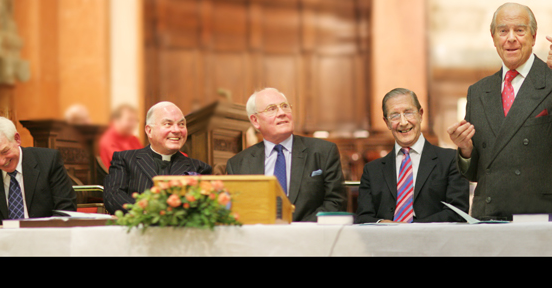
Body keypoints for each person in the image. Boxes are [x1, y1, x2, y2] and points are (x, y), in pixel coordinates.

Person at [447, 2, 552, 220]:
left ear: (534, 36)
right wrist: (466, 150)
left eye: (519, 30)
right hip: (489, 220)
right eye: (503, 31)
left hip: (543, 218)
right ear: (493, 37)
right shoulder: (478, 92)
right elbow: (474, 173)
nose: (510, 38)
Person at [225, 88, 347, 222]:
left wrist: (296, 230)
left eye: (285, 106)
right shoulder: (238, 164)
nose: (282, 113)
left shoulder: (323, 151)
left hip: (309, 232)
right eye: (272, 109)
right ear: (255, 120)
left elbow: (335, 202)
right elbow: (236, 210)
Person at [356, 88, 470, 223]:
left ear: (420, 115)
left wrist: (410, 228)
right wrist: (382, 223)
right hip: (386, 236)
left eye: (408, 113)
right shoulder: (372, 170)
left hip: (433, 235)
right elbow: (363, 217)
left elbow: (458, 212)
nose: (403, 122)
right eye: (394, 116)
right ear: (387, 123)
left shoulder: (450, 160)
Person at [104, 102, 211, 214]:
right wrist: (146, 212)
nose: (176, 130)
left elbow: (205, 205)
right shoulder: (125, 159)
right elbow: (113, 196)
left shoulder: (200, 168)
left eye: (181, 124)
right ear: (149, 130)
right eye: (168, 124)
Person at [0, 116, 76, 225]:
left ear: (17, 139)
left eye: (5, 151)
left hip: (44, 232)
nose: (1, 161)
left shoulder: (49, 161)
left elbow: (65, 210)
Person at [98, 104, 143, 170]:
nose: (134, 124)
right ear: (116, 120)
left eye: (136, 120)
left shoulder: (134, 139)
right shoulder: (108, 140)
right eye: (130, 120)